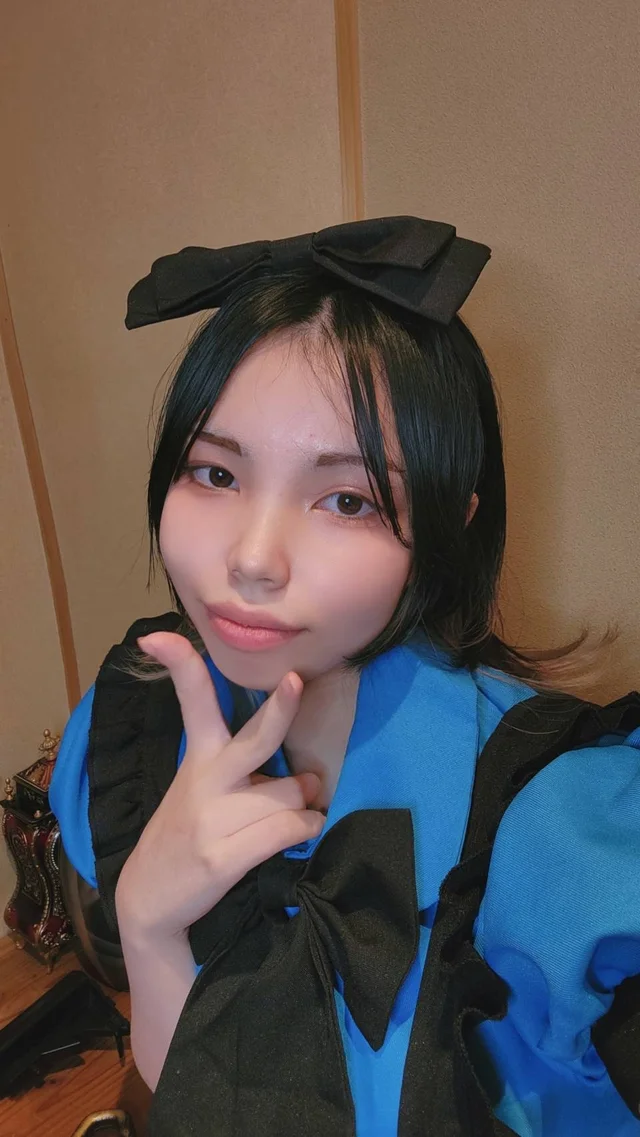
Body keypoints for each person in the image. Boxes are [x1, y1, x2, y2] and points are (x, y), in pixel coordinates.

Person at [49, 218, 640, 1137]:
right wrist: (151, 928)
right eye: (215, 472)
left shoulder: (558, 829)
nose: (252, 558)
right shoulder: (136, 721)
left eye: (347, 498)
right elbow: (187, 1093)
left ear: (447, 527)